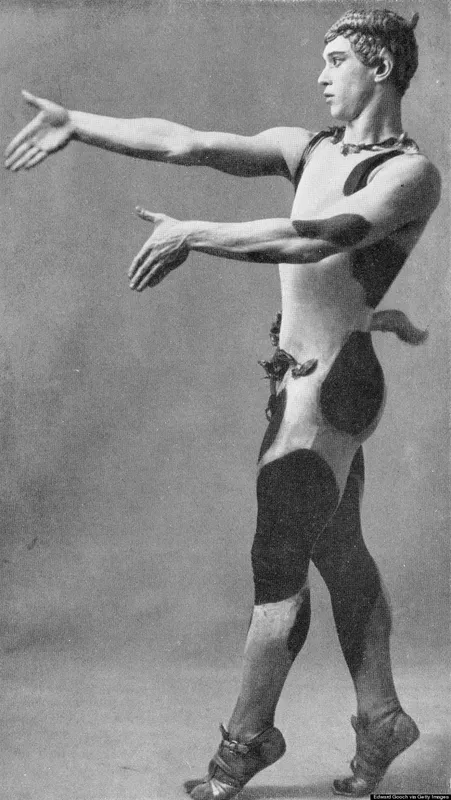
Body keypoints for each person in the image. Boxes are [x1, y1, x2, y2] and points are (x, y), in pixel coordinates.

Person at [4, 8, 441, 799]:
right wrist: (78, 124)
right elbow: (187, 141)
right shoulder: (308, 147)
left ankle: (244, 742)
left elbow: (320, 237)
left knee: (277, 564)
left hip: (327, 388)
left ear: (379, 66)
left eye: (335, 59)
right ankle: (381, 718)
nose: (319, 75)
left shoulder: (408, 174)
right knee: (337, 549)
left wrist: (196, 233)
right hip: (305, 379)